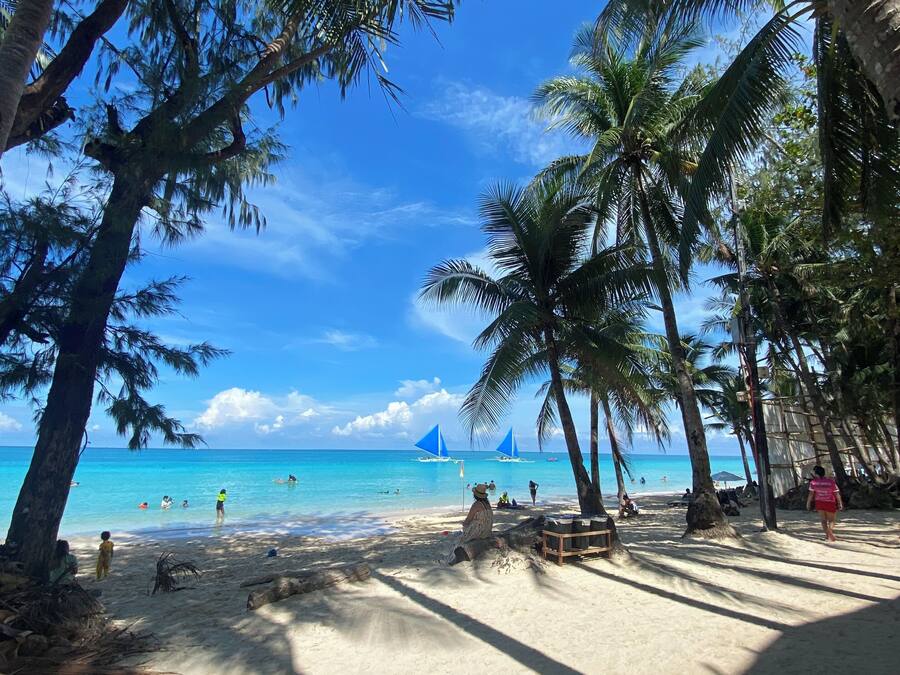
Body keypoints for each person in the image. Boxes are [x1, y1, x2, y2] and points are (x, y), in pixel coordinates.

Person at [449, 484, 493, 564]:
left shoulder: (476, 505)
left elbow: (468, 520)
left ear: (475, 495)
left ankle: (453, 559)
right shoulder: (487, 504)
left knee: (459, 541)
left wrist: (464, 524)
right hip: (487, 530)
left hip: (479, 531)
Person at [806, 465, 843, 542]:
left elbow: (811, 494)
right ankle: (829, 533)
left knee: (823, 520)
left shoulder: (813, 483)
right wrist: (840, 503)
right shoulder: (831, 482)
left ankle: (827, 535)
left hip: (819, 502)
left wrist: (808, 503)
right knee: (831, 520)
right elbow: (836, 494)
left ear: (816, 474)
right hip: (830, 502)